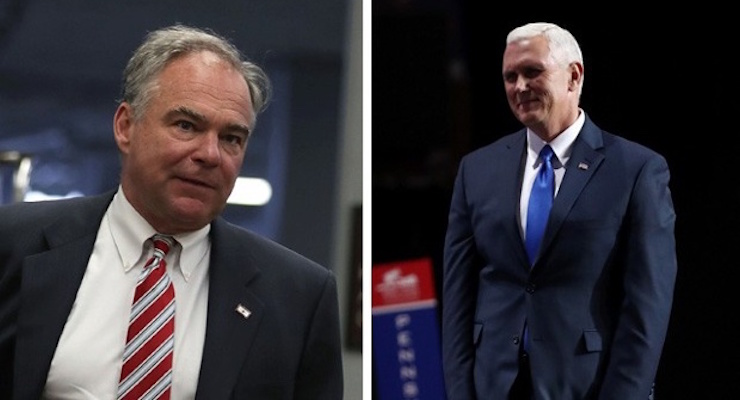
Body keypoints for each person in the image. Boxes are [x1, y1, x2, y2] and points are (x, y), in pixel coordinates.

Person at [0, 24, 343, 399]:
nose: (210, 154)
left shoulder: (298, 297)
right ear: (126, 127)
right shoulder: (16, 245)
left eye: (231, 138)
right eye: (186, 125)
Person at [441, 22, 676, 399]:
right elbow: (457, 298)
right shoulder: (477, 170)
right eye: (510, 76)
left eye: (533, 72)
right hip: (493, 386)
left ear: (574, 76)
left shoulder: (636, 170)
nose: (520, 87)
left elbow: (647, 305)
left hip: (587, 386)